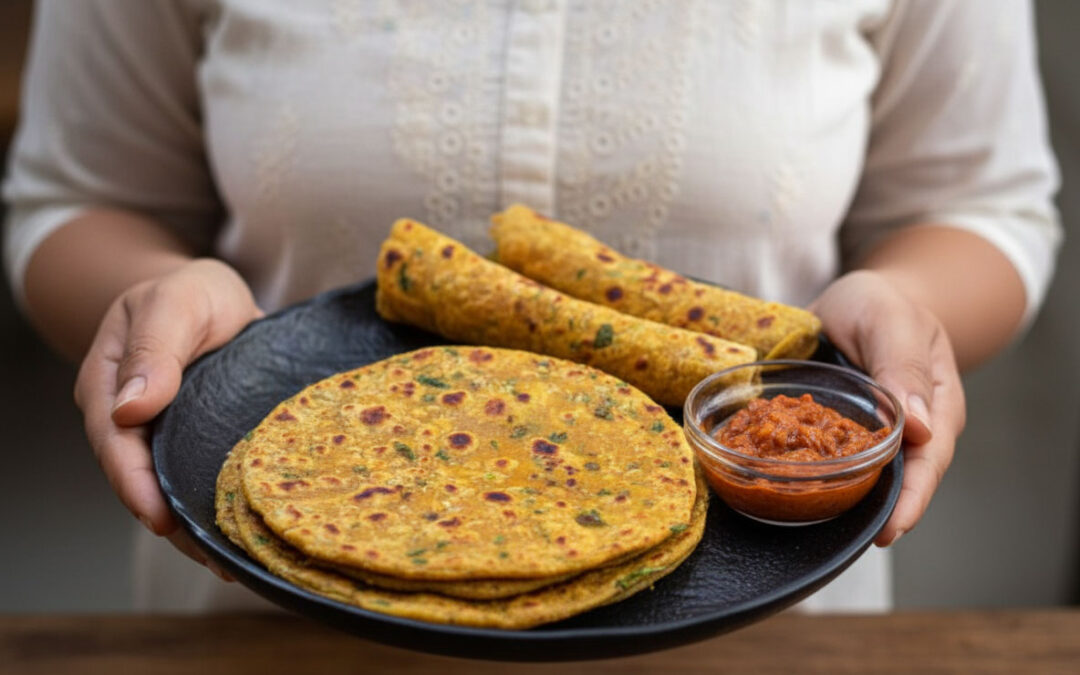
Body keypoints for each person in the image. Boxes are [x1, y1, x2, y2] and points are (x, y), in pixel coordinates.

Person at [2, 0, 1060, 613]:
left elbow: (983, 201)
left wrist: (904, 302)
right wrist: (151, 304)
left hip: (760, 591)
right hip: (269, 610)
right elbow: (77, 195)